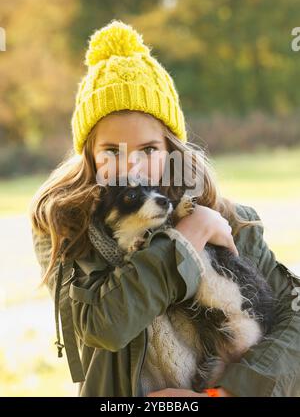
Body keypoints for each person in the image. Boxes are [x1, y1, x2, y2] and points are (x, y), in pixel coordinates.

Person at [30, 20, 300, 397]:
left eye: (148, 150)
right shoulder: (64, 227)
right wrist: (185, 242)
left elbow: (294, 320)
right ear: (89, 153)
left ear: (170, 147)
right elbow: (105, 326)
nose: (131, 167)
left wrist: (225, 395)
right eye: (111, 151)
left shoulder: (227, 216)